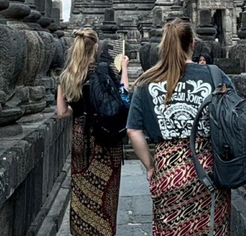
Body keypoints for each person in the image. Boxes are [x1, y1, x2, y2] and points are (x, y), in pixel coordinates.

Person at [127, 19, 232, 236]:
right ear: (192, 44)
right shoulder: (214, 75)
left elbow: (133, 130)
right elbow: (236, 116)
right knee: (211, 229)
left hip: (167, 168)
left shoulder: (146, 81)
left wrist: (150, 166)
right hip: (209, 166)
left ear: (163, 47)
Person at [57, 28, 130, 236]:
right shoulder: (103, 71)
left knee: (81, 189)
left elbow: (61, 112)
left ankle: (82, 231)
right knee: (107, 191)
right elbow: (123, 99)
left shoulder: (66, 75)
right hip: (105, 138)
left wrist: (79, 110)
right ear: (95, 47)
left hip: (81, 137)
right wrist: (124, 68)